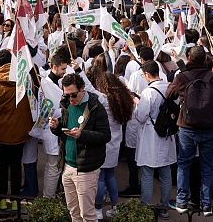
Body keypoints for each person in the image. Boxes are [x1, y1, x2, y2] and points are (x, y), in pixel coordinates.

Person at [166, 46, 213, 215]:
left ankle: (182, 202)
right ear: (205, 59)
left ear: (189, 58)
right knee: (208, 166)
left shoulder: (182, 77)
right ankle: (207, 204)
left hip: (187, 127)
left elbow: (168, 95)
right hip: (210, 128)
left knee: (184, 165)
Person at [50, 73, 112, 222]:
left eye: (74, 95)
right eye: (67, 95)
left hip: (86, 169)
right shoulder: (66, 103)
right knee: (73, 212)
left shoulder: (96, 107)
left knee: (88, 215)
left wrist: (82, 135)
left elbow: (105, 136)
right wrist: (57, 127)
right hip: (67, 165)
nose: (71, 99)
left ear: (82, 88)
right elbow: (65, 128)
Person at [0, 49, 35, 211]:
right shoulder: (24, 79)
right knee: (16, 165)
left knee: (1, 166)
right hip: (19, 131)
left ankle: (1, 199)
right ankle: (15, 200)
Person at [88, 54, 133, 219]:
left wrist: (77, 68)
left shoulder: (103, 99)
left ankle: (98, 209)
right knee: (110, 176)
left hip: (102, 143)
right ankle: (115, 206)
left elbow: (89, 87)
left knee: (100, 178)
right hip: (115, 143)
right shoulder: (122, 100)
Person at [132, 61, 176, 219]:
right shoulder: (170, 87)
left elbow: (141, 116)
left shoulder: (148, 92)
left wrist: (137, 104)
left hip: (151, 135)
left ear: (147, 75)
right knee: (165, 172)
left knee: (147, 172)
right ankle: (164, 207)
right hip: (167, 134)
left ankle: (145, 207)